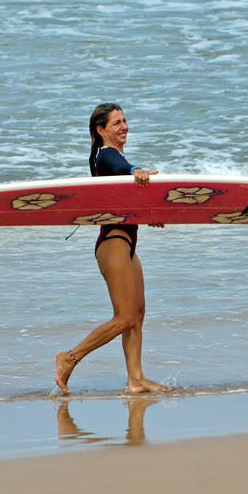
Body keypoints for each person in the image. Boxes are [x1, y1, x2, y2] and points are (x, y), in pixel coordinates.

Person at [55, 103, 169, 395]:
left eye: (125, 120)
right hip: (113, 243)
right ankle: (70, 357)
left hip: (128, 243)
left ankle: (136, 379)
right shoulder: (106, 157)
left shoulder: (114, 156)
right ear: (101, 130)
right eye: (116, 122)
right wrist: (135, 171)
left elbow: (124, 205)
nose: (124, 126)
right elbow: (121, 169)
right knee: (125, 317)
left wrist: (149, 217)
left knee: (138, 313)